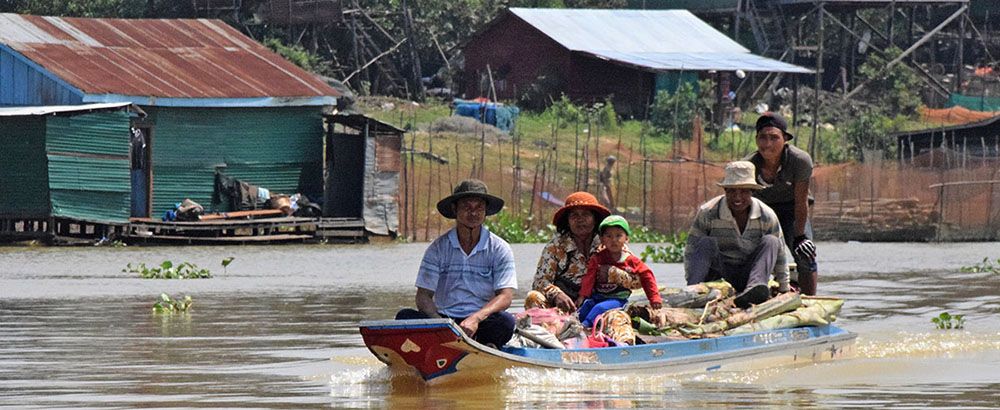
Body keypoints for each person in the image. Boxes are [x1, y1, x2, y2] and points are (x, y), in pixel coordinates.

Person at [395, 179, 518, 347]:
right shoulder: (438, 248)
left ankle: (484, 346)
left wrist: (475, 318)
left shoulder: (499, 248)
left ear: (485, 211)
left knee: (506, 322)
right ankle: (444, 342)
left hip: (481, 321)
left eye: (479, 208)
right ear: (455, 209)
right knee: (404, 317)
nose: (473, 213)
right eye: (467, 207)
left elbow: (505, 296)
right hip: (444, 320)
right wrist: (442, 324)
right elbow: (423, 296)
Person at [684, 161, 789, 309]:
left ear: (752, 191)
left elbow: (781, 255)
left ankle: (753, 291)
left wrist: (784, 288)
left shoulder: (766, 215)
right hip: (719, 275)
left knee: (771, 241)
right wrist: (690, 282)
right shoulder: (708, 212)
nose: (737, 197)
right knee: (705, 243)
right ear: (725, 190)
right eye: (732, 191)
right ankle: (694, 293)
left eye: (744, 191)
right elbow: (691, 250)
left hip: (750, 274)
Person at [528, 191, 643, 313]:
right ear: (567, 221)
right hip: (564, 307)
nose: (580, 220)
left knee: (615, 318)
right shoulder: (555, 247)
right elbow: (539, 282)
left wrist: (612, 273)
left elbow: (640, 281)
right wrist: (557, 295)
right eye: (574, 216)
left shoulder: (611, 243)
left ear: (595, 219)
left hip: (601, 305)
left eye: (586, 215)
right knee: (533, 298)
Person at [744, 112, 818, 295]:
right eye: (763, 138)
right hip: (762, 213)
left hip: (793, 210)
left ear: (785, 139)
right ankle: (752, 294)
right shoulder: (748, 166)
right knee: (747, 254)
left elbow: (801, 201)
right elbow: (744, 204)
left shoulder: (799, 160)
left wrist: (800, 236)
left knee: (805, 253)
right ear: (756, 140)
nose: (768, 144)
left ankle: (810, 300)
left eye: (774, 138)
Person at [576, 215, 662, 327]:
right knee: (586, 307)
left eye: (618, 236)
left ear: (626, 238)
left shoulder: (631, 260)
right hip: (598, 296)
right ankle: (576, 324)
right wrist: (582, 296)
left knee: (599, 308)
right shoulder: (598, 258)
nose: (614, 240)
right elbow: (589, 277)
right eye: (608, 236)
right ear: (602, 239)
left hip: (617, 299)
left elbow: (647, 276)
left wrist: (654, 298)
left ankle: (585, 327)